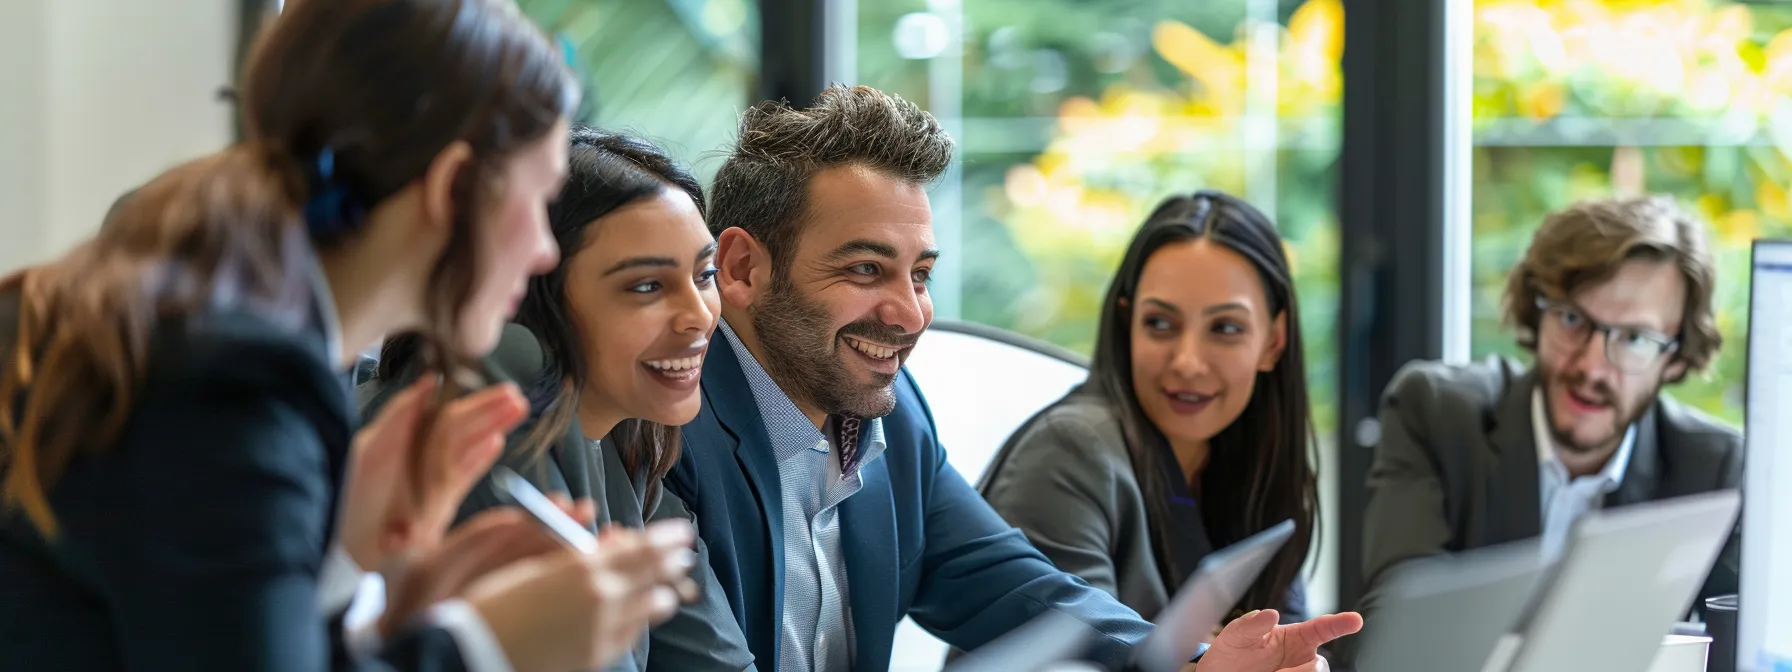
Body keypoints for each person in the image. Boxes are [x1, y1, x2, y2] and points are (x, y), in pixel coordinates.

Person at [0, 1, 695, 670]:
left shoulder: (243, 339)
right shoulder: (235, 383)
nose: (545, 251)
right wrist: (479, 647)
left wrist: (349, 570)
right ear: (453, 187)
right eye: (539, 203)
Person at [667, 84, 1360, 672]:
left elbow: (1016, 589)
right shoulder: (668, 432)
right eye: (865, 270)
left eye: (921, 274)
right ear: (742, 269)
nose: (910, 314)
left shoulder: (893, 415)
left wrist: (1191, 661)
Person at [365, 127, 757, 672]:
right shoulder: (498, 391)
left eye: (704, 274)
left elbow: (718, 660)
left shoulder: (627, 435)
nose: (699, 314)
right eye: (646, 286)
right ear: (527, 299)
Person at [1352, 195, 1742, 651]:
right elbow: (1393, 630)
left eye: (1635, 338)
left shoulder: (1714, 469)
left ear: (1675, 360)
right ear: (1537, 313)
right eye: (1573, 319)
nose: (1592, 367)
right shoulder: (1436, 412)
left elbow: (1740, 648)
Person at [977, 191, 1318, 631]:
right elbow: (1075, 657)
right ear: (1127, 323)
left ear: (1273, 341)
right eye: (1160, 323)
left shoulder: (1256, 468)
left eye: (1226, 328)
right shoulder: (1069, 453)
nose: (1188, 362)